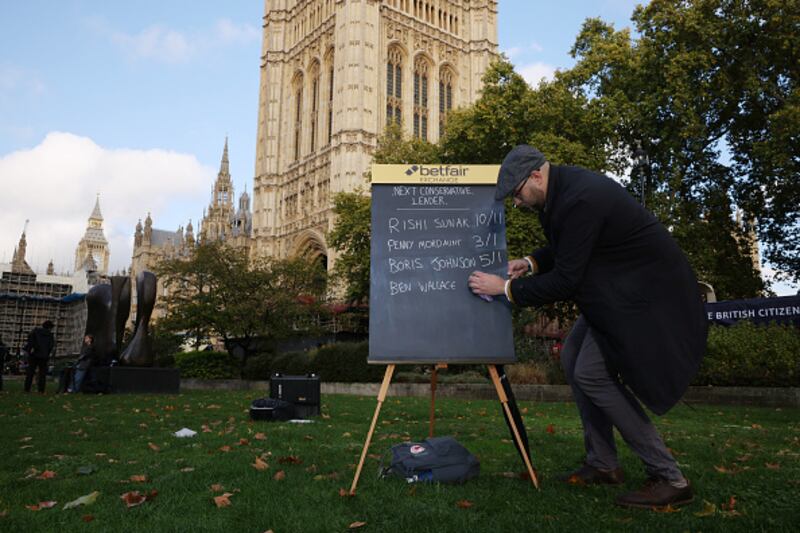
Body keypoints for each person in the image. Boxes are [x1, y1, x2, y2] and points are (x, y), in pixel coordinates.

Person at [468, 145, 707, 509]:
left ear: (536, 176)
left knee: (592, 373)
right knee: (572, 357)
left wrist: (504, 289)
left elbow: (567, 280)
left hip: (644, 299)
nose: (516, 203)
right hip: (616, 294)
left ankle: (669, 477)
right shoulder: (561, 192)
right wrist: (530, 262)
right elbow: (568, 246)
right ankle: (603, 463)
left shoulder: (580, 198)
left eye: (517, 194)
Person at [24, 320, 56, 393]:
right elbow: (51, 346)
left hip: (34, 354)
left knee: (30, 372)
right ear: (50, 327)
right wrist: (47, 353)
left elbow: (30, 341)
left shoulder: (35, 331)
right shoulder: (50, 335)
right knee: (42, 374)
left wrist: (31, 349)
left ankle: (27, 388)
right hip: (44, 356)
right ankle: (41, 389)